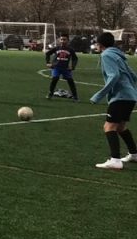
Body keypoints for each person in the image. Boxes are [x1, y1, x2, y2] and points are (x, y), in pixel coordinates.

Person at [90, 31, 137, 170]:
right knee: (121, 127)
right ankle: (134, 154)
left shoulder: (106, 55)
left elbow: (114, 75)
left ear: (100, 44)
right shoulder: (118, 54)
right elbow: (132, 74)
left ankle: (115, 160)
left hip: (121, 96)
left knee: (109, 127)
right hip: (130, 96)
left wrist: (99, 95)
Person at [45, 34, 79, 101]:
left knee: (70, 81)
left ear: (68, 41)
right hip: (56, 67)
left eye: (64, 39)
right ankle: (50, 94)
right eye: (61, 39)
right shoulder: (56, 48)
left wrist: (72, 67)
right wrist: (48, 63)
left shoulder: (70, 49)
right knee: (55, 78)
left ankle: (75, 97)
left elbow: (75, 58)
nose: (62, 41)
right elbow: (47, 54)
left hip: (65, 68)